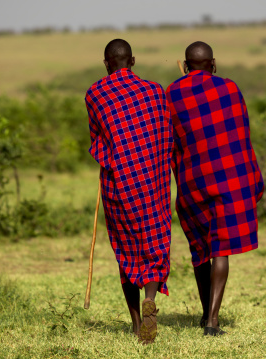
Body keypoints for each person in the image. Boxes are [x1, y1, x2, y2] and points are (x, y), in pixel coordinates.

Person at [166, 41, 264, 336]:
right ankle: (212, 321)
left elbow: (171, 142)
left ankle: (205, 313)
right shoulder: (230, 89)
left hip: (193, 181)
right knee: (220, 249)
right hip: (229, 179)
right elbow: (241, 135)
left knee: (200, 249)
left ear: (185, 65)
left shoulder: (171, 93)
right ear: (213, 64)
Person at [85, 39, 172, 344]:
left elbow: (98, 140)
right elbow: (165, 135)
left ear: (106, 63)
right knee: (153, 239)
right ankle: (151, 297)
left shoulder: (95, 93)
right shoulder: (154, 91)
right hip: (153, 181)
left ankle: (137, 322)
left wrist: (110, 157)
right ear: (132, 61)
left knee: (126, 247)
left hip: (119, 182)